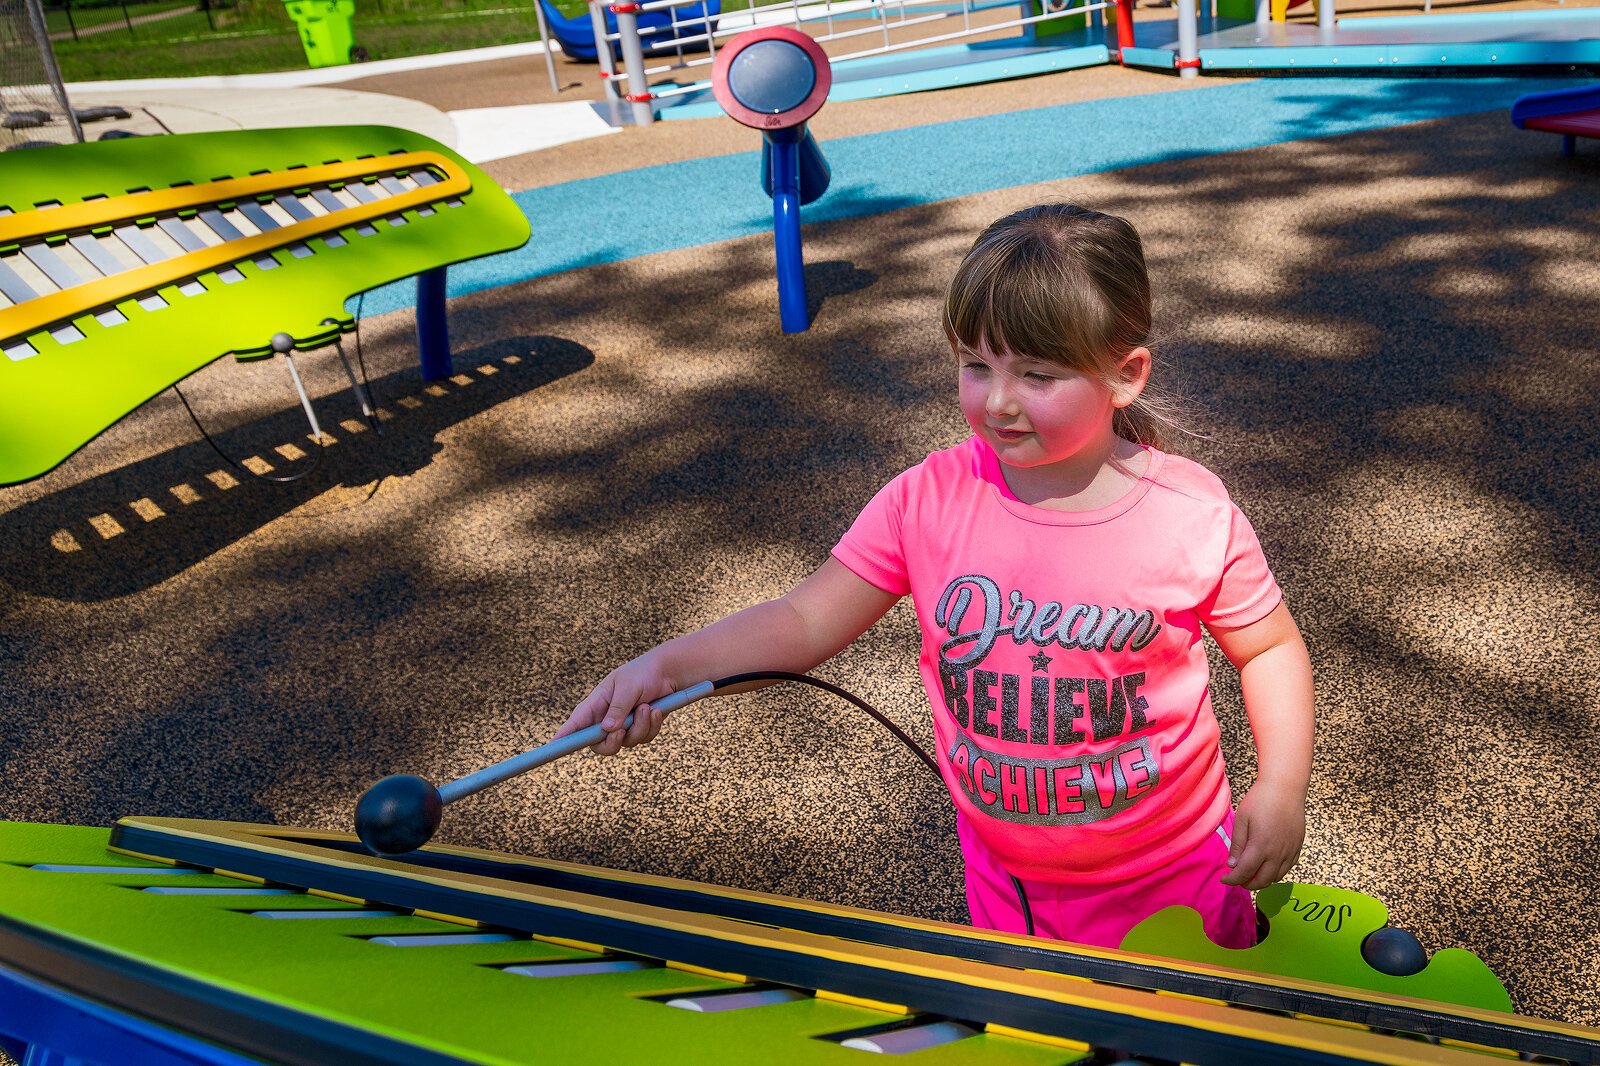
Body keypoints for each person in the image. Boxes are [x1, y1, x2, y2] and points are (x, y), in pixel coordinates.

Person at [553, 202, 1315, 951]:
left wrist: (1281, 785)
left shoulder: (1189, 513)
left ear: (1125, 375)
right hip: (1005, 876)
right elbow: (805, 621)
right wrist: (666, 668)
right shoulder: (927, 499)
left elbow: (1270, 649)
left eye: (1038, 374)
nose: (1000, 401)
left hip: (1173, 872)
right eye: (975, 366)